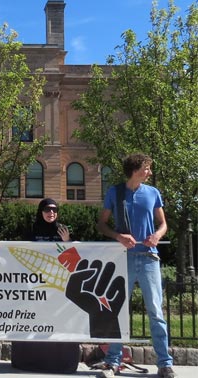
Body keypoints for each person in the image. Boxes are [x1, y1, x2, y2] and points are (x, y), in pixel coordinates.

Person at [96, 153, 175, 378]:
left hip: (150, 257)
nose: (149, 172)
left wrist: (157, 236)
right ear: (135, 169)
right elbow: (102, 224)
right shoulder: (115, 192)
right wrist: (118, 236)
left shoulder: (153, 193)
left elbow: (163, 224)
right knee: (118, 311)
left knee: (156, 312)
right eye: (146, 168)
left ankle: (164, 363)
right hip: (125, 258)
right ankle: (112, 361)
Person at [11, 198, 80, 374]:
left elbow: (75, 259)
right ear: (41, 212)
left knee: (56, 321)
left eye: (54, 210)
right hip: (35, 284)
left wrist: (67, 241)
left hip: (58, 285)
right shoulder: (32, 230)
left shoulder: (63, 229)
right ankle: (28, 361)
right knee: (35, 319)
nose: (51, 213)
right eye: (48, 210)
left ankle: (60, 362)